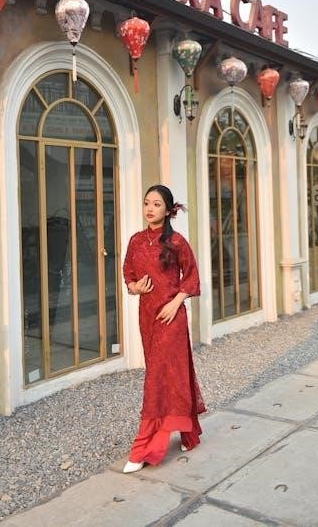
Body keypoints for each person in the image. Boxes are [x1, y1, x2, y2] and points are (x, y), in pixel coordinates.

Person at [122, 184, 206, 473]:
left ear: (168, 210)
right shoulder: (135, 241)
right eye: (147, 203)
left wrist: (176, 302)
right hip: (147, 317)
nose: (150, 208)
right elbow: (128, 274)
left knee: (158, 378)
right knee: (170, 374)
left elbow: (192, 276)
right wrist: (134, 287)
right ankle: (188, 432)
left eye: (156, 204)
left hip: (171, 318)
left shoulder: (177, 242)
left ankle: (144, 447)